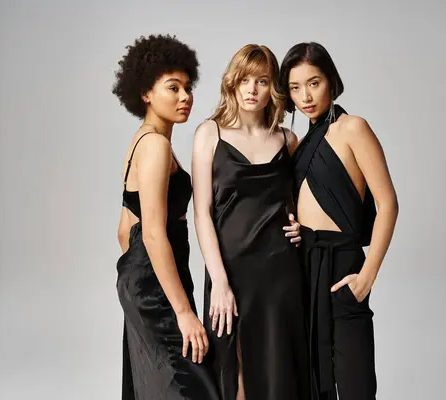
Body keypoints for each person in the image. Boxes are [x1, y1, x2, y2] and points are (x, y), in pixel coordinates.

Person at [280, 42, 399, 400]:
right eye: (295, 87)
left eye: (313, 83)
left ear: (330, 80)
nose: (305, 96)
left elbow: (388, 203)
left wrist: (367, 277)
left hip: (343, 266)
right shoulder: (299, 143)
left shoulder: (353, 128)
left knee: (354, 384)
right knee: (310, 383)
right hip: (304, 266)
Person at [192, 44, 311, 400]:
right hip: (230, 274)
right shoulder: (209, 134)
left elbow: (306, 200)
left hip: (280, 274)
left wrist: (302, 226)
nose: (252, 89)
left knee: (279, 373)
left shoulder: (287, 140)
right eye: (245, 79)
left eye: (261, 81)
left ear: (271, 87)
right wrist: (219, 282)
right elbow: (202, 213)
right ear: (233, 82)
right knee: (235, 374)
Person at [112, 34, 219, 400]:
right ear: (145, 93)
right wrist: (184, 311)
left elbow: (125, 228)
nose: (185, 96)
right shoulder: (156, 146)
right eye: (172, 88)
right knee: (189, 384)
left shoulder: (141, 140)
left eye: (188, 88)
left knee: (156, 384)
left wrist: (134, 275)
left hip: (143, 280)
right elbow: (154, 234)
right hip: (157, 286)